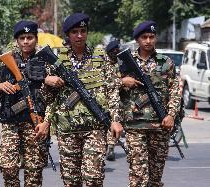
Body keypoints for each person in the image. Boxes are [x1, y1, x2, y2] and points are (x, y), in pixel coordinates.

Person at [39, 13, 123, 187]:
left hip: (95, 127)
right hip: (67, 129)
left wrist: (115, 120)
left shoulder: (100, 58)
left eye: (83, 31)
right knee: (71, 181)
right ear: (68, 35)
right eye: (75, 32)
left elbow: (112, 91)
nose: (79, 35)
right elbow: (48, 99)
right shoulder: (57, 61)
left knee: (93, 179)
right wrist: (47, 82)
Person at [116, 20, 181, 187]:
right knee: (138, 177)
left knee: (155, 178)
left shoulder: (165, 62)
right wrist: (122, 81)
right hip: (134, 126)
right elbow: (109, 87)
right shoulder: (125, 61)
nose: (148, 41)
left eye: (152, 37)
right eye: (144, 37)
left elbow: (175, 92)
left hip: (160, 126)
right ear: (137, 39)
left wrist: (171, 115)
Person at [0, 20, 49, 187]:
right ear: (17, 41)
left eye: (30, 37)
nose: (26, 41)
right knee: (7, 167)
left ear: (36, 39)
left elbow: (54, 96)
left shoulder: (45, 60)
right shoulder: (8, 61)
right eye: (22, 38)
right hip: (11, 121)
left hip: (34, 122)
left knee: (34, 171)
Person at [105, 40, 120, 161]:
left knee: (115, 122)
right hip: (106, 99)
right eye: (114, 51)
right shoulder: (105, 64)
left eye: (117, 51)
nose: (116, 53)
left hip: (119, 99)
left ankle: (111, 146)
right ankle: (109, 145)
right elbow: (107, 83)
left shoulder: (120, 63)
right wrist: (121, 82)